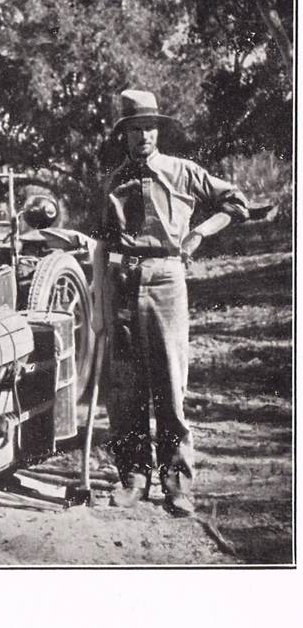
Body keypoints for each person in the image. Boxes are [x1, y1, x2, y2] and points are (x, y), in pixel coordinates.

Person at [90, 89, 249, 517]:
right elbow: (101, 246)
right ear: (124, 135)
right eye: (134, 129)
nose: (143, 135)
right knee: (126, 390)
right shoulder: (114, 181)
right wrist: (100, 310)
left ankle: (177, 483)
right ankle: (133, 479)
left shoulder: (183, 172)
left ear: (158, 130)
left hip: (167, 279)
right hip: (124, 283)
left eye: (149, 127)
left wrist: (199, 233)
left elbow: (236, 202)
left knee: (170, 382)